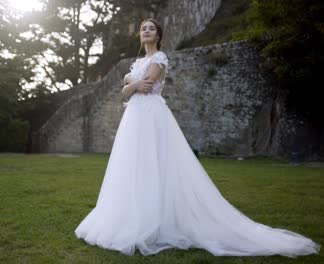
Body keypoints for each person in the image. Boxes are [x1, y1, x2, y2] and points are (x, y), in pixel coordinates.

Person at [74, 18, 321, 257]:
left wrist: (129, 83)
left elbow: (146, 84)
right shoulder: (138, 61)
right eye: (143, 28)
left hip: (151, 115)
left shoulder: (160, 58)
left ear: (158, 36)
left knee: (155, 163)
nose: (146, 31)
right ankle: (132, 216)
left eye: (151, 28)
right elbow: (126, 89)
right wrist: (129, 84)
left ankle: (158, 219)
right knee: (133, 164)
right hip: (135, 118)